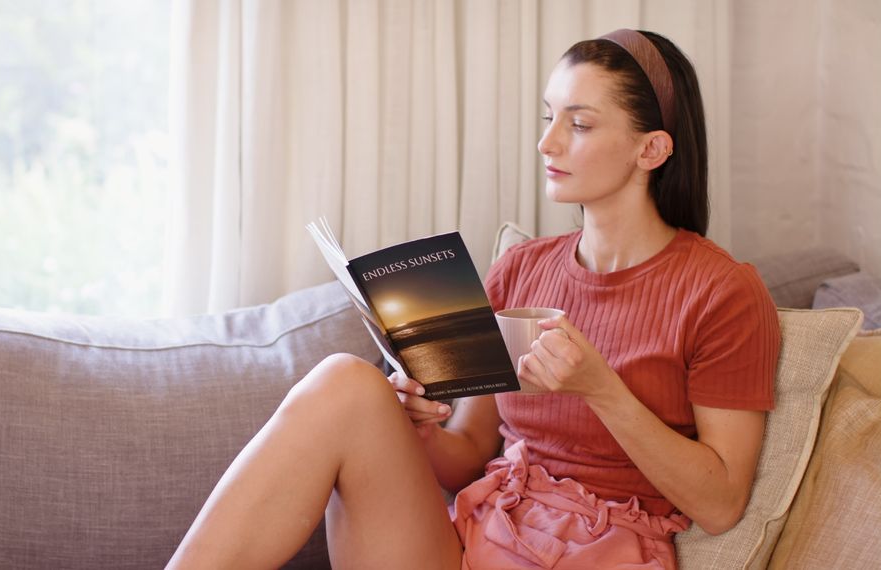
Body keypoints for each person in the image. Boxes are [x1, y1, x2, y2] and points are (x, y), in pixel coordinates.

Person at [167, 29, 779, 570]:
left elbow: (722, 505)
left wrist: (601, 389)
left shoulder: (721, 292)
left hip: (597, 551)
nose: (548, 144)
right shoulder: (519, 270)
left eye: (580, 124)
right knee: (346, 385)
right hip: (476, 538)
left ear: (652, 150)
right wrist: (420, 427)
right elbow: (464, 458)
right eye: (549, 118)